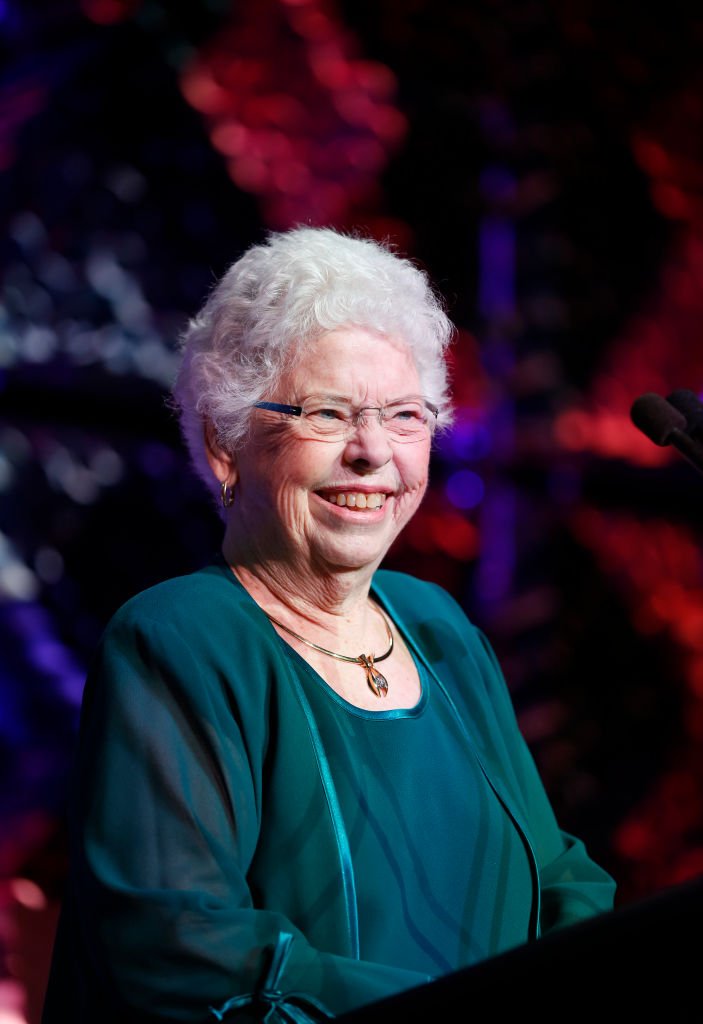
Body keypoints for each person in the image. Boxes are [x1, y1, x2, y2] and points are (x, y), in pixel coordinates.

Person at [42, 226, 615, 1023]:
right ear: (223, 442)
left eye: (404, 415)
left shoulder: (436, 625)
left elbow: (558, 876)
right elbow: (175, 948)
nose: (372, 451)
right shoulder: (181, 637)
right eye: (328, 413)